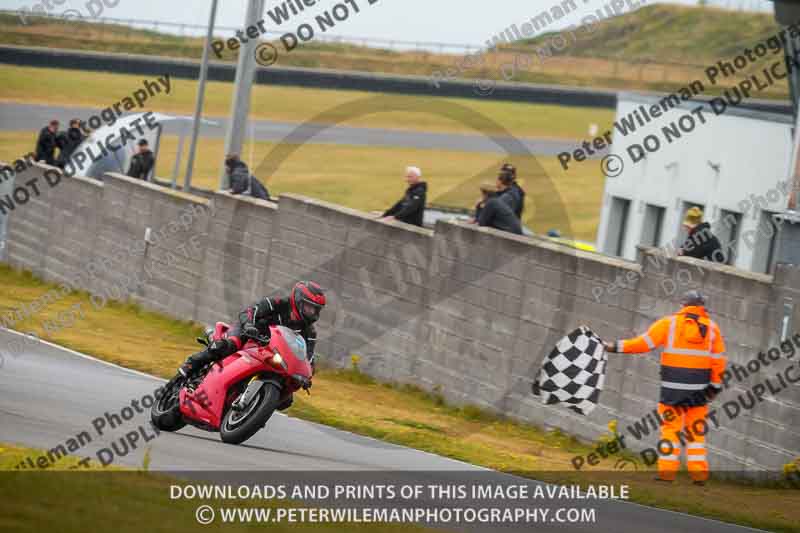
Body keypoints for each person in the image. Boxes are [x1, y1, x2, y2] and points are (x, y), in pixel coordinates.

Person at [603, 290, 726, 485]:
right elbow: (718, 361)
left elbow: (642, 344)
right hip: (700, 392)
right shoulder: (712, 328)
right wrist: (715, 388)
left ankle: (667, 474)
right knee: (695, 432)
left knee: (670, 430)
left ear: (683, 305)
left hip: (672, 390)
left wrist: (613, 347)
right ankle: (699, 476)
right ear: (702, 307)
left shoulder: (669, 324)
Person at [177, 281, 326, 381]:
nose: (312, 313)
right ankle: (191, 363)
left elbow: (308, 358)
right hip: (249, 334)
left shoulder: (310, 333)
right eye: (309, 307)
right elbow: (248, 312)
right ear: (298, 300)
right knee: (229, 345)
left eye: (315, 310)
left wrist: (307, 374)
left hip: (270, 352)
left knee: (287, 398)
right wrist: (249, 326)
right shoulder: (276, 303)